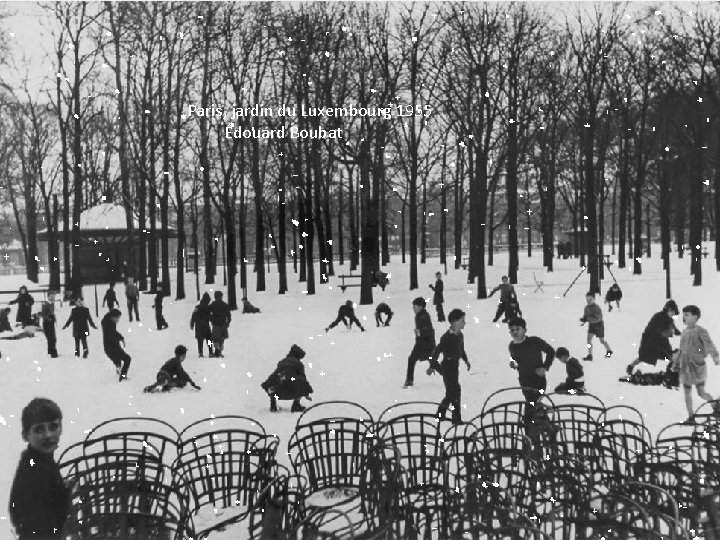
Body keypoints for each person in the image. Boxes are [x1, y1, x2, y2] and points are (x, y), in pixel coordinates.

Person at [9, 397, 69, 540]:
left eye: (53, 427)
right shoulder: (34, 471)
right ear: (25, 436)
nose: (48, 435)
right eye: (39, 430)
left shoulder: (38, 460)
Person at [671, 305, 720, 423]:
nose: (684, 318)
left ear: (695, 317)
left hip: (697, 366)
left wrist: (715, 357)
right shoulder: (684, 333)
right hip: (685, 367)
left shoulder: (701, 331)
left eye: (687, 315)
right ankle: (691, 416)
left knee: (701, 392)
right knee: (687, 392)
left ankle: (716, 407)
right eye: (684, 315)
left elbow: (709, 345)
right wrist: (676, 363)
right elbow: (681, 350)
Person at [426, 308, 470, 425]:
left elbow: (461, 350)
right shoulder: (446, 337)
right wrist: (432, 365)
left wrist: (466, 361)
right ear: (454, 322)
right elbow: (436, 351)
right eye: (462, 321)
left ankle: (445, 415)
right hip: (447, 366)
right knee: (453, 392)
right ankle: (450, 417)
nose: (464, 323)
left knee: (453, 392)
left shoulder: (460, 335)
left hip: (455, 366)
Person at [507, 317, 555, 423]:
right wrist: (512, 362)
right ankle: (546, 428)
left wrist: (545, 367)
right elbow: (514, 358)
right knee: (534, 408)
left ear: (524, 330)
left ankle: (533, 431)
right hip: (524, 382)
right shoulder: (512, 346)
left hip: (538, 381)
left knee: (530, 410)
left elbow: (551, 351)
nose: (514, 332)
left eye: (517, 329)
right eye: (512, 330)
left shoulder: (534, 341)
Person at [626, 300, 681, 376]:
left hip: (661, 340)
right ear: (667, 310)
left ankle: (675, 371)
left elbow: (673, 328)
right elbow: (657, 329)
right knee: (645, 357)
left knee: (670, 355)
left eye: (674, 312)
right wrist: (667, 332)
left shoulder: (669, 319)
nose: (672, 313)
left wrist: (680, 333)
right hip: (650, 340)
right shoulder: (658, 317)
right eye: (671, 311)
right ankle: (631, 366)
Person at [261, 344, 314, 413]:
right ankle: (296, 405)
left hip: (276, 390)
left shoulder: (282, 362)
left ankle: (273, 406)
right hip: (290, 389)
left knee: (275, 379)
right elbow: (303, 380)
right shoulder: (299, 364)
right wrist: (307, 392)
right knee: (301, 382)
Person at [404, 297, 436, 388]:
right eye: (413, 306)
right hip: (425, 343)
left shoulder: (423, 317)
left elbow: (427, 330)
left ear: (421, 307)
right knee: (432, 361)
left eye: (415, 306)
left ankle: (409, 381)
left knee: (412, 359)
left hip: (425, 343)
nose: (413, 308)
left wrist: (419, 333)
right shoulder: (420, 315)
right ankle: (448, 376)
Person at [579, 292, 613, 361]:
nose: (589, 301)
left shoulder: (597, 308)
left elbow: (598, 319)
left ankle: (609, 351)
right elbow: (586, 316)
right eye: (587, 300)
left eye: (590, 300)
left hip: (599, 326)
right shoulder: (586, 308)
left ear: (594, 299)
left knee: (602, 341)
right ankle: (590, 355)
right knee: (588, 340)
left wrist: (587, 319)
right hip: (591, 325)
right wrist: (584, 320)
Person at [101, 308, 132, 381]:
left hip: (115, 346)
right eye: (117, 318)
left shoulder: (110, 322)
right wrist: (120, 338)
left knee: (126, 359)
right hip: (110, 348)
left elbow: (114, 332)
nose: (118, 320)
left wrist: (121, 338)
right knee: (124, 359)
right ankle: (122, 374)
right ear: (113, 317)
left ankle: (121, 372)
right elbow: (112, 334)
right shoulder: (108, 325)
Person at [190, 293, 213, 357]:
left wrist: (192, 324)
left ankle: (200, 353)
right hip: (206, 326)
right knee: (209, 339)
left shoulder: (197, 307)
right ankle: (210, 352)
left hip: (198, 326)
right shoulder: (207, 308)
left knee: (200, 340)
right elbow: (210, 316)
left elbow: (193, 315)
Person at [209, 291, 231, 357]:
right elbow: (228, 315)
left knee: (215, 339)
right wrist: (228, 322)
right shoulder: (225, 305)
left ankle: (217, 351)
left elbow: (208, 312)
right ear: (221, 296)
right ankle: (220, 351)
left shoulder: (212, 304)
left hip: (216, 324)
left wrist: (211, 318)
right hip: (223, 324)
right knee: (222, 338)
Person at [40, 292, 58, 358]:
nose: (53, 297)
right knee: (51, 338)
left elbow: (52, 313)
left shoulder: (52, 304)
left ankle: (50, 352)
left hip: (51, 322)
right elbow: (43, 314)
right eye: (51, 296)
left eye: (54, 296)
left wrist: (54, 318)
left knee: (53, 338)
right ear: (48, 296)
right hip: (47, 323)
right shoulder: (45, 304)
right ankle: (53, 354)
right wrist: (49, 319)